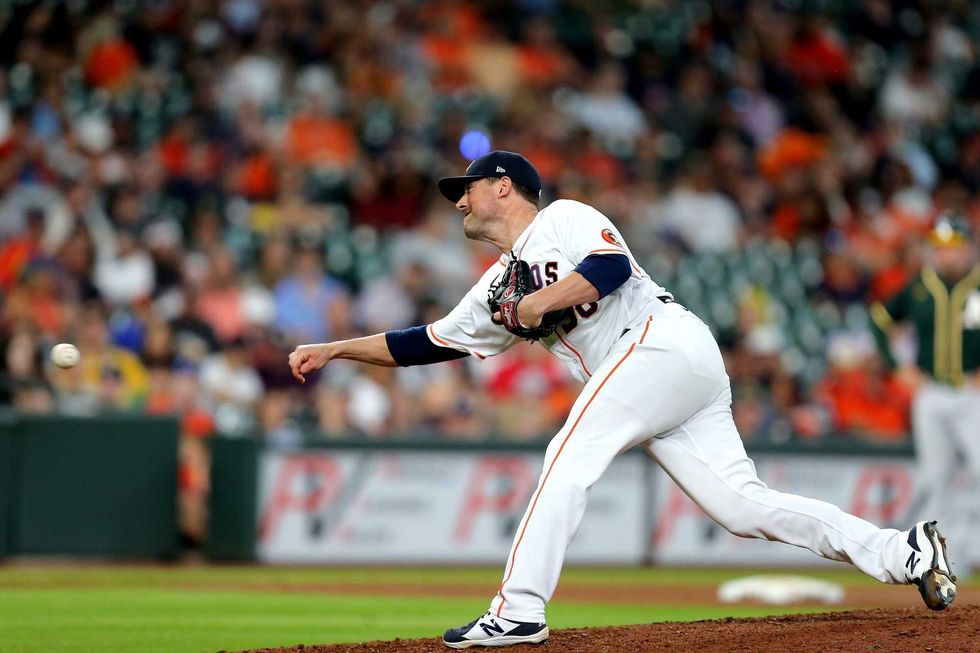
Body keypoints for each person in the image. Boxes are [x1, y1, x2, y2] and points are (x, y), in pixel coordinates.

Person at [288, 151, 955, 649]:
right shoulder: (494, 287)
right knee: (743, 508)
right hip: (659, 373)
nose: (458, 203)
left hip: (660, 343)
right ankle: (905, 551)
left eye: (465, 191)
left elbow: (607, 270)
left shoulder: (562, 220)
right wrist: (338, 348)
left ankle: (518, 608)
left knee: (566, 453)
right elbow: (426, 342)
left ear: (502, 186)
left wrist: (536, 303)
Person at [870, 211, 980, 572]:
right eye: (941, 247)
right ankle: (946, 562)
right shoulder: (920, 286)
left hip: (971, 391)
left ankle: (971, 549)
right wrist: (896, 366)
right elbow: (879, 319)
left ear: (969, 248)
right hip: (932, 391)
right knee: (936, 477)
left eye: (954, 247)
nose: (947, 255)